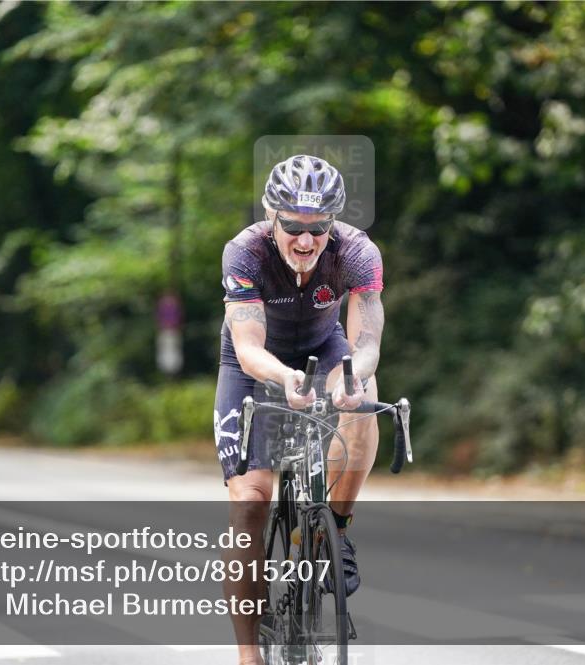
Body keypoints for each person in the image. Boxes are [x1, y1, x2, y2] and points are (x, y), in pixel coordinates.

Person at [214, 154, 384, 664]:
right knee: (250, 503)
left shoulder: (357, 251)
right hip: (254, 365)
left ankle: (338, 527)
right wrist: (283, 377)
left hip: (324, 346)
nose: (306, 241)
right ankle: (249, 656)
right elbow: (247, 345)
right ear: (271, 215)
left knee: (363, 393)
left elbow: (367, 336)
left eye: (318, 228)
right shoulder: (244, 252)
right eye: (293, 227)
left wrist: (354, 375)